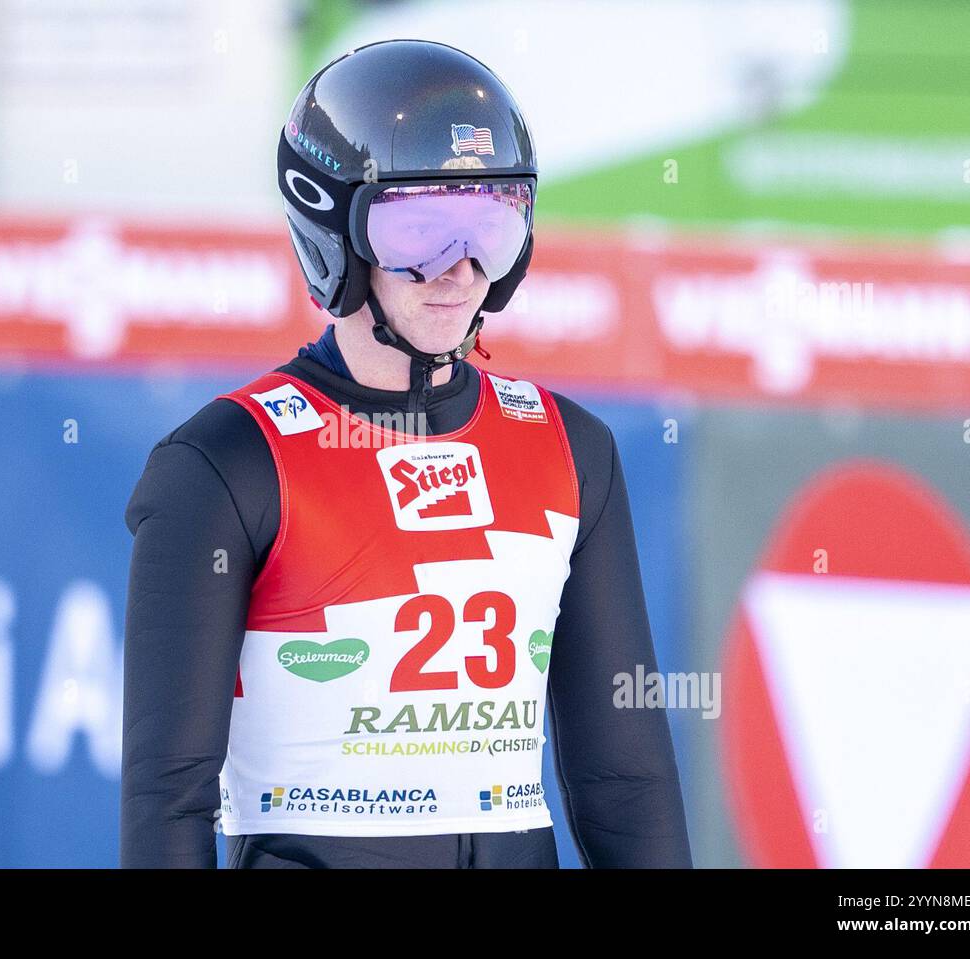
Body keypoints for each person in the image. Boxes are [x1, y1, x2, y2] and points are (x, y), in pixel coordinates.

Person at [121, 39, 692, 869]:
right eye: (418, 229)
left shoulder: (571, 451)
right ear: (334, 234)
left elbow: (627, 785)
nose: (458, 269)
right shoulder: (226, 465)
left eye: (490, 227)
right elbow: (166, 798)